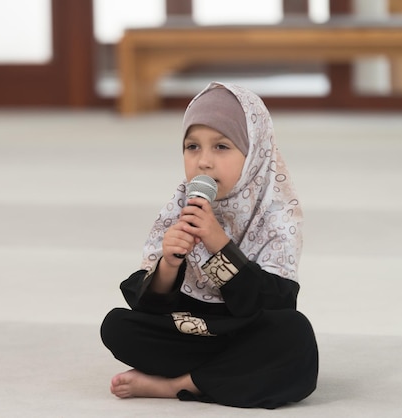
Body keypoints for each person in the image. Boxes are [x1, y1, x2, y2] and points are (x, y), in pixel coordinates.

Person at [100, 81, 318, 409]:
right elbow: (146, 307)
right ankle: (225, 375)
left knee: (294, 336)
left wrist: (219, 243)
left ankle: (180, 385)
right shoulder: (179, 206)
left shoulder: (277, 213)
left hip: (248, 331)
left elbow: (278, 304)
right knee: (117, 326)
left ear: (254, 152)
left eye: (221, 147)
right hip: (194, 331)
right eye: (192, 147)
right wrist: (169, 266)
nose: (203, 162)